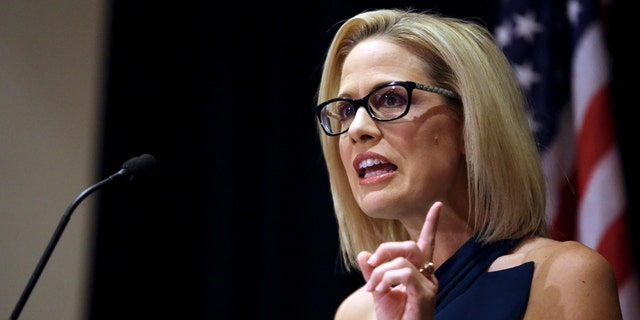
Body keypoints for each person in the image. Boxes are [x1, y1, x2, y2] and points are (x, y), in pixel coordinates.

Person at [313, 8, 623, 319]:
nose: (356, 129)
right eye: (346, 111)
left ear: (469, 123)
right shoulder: (357, 311)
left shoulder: (563, 277)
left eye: (391, 99)